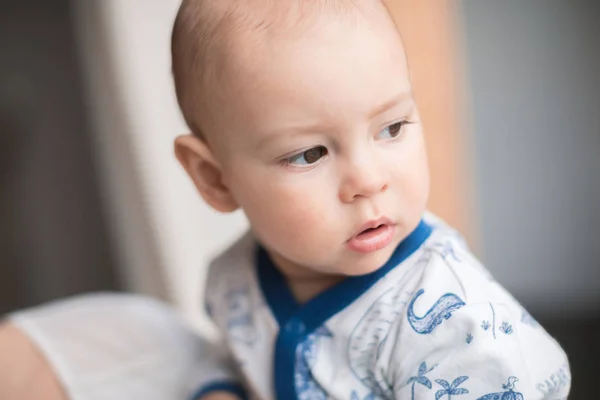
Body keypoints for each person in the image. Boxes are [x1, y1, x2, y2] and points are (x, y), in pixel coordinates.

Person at [170, 1, 570, 399]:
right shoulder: (236, 280)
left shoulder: (459, 330)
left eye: (392, 127)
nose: (369, 180)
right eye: (310, 154)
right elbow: (233, 356)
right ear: (216, 179)